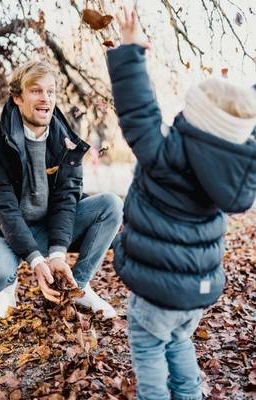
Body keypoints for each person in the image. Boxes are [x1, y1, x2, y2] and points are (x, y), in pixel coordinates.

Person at [106, 7, 256, 400]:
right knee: (179, 342)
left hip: (158, 288)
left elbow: (138, 111)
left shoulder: (165, 155)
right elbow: (241, 116)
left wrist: (130, 51)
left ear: (196, 115)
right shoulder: (234, 168)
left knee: (149, 350)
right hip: (196, 289)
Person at [0, 60, 123, 319]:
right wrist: (37, 260)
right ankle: (6, 287)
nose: (45, 98)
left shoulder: (66, 142)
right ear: (17, 97)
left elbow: (65, 199)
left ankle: (77, 288)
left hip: (45, 227)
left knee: (111, 205)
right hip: (2, 231)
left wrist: (58, 252)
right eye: (36, 90)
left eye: (50, 91)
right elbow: (3, 209)